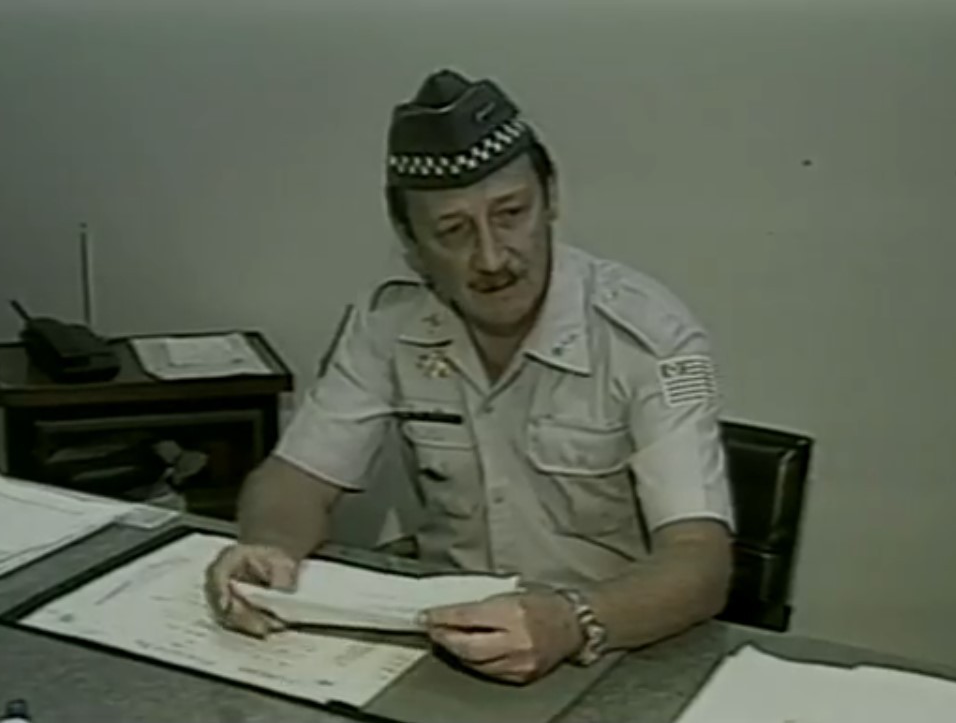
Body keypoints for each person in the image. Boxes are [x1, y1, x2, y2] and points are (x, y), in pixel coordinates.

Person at [204, 69, 735, 684]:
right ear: (411, 244)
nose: (491, 257)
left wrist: (572, 622)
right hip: (445, 642)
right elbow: (295, 479)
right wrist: (267, 546)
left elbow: (701, 562)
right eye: (453, 232)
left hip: (608, 645)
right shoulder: (388, 323)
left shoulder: (655, 338)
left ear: (551, 198)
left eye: (511, 214)